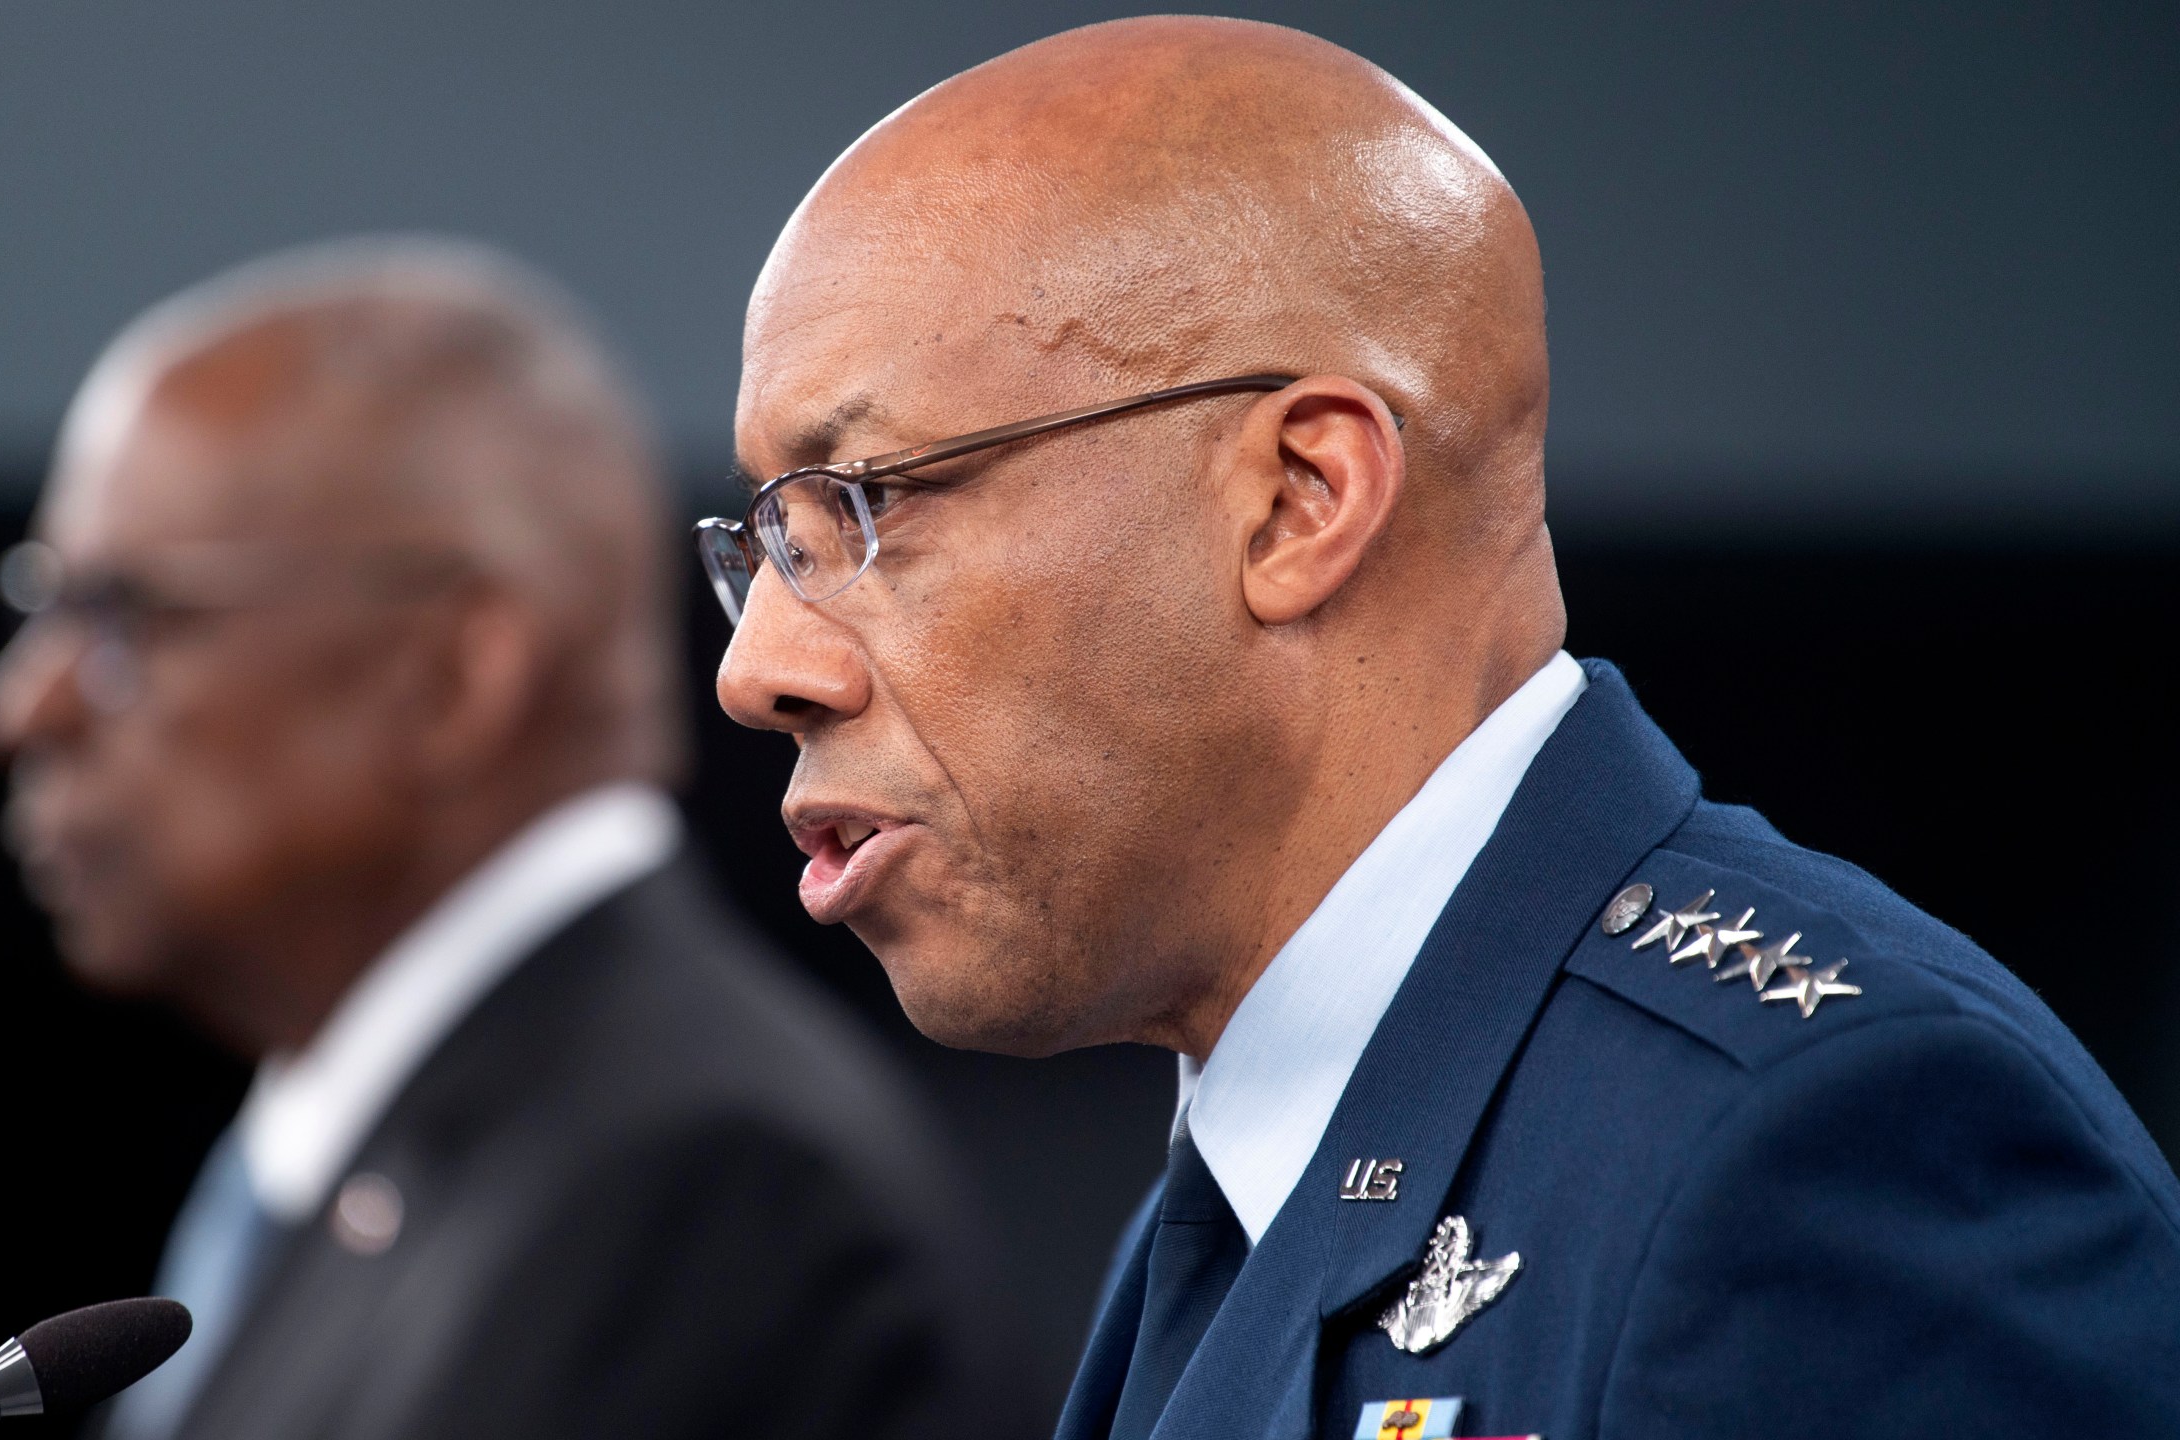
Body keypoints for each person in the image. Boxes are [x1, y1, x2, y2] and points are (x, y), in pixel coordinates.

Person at [697, 17, 2180, 1439]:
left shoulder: (1825, 1151)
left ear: (1298, 501)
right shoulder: (1221, 1211)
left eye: (865, 502)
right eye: (761, 545)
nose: (759, 669)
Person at [0, 237, 1026, 1440]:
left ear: (451, 676)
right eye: (44, 605)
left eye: (120, 618)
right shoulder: (388, 1152)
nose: (22, 709)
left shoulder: (699, 1194)